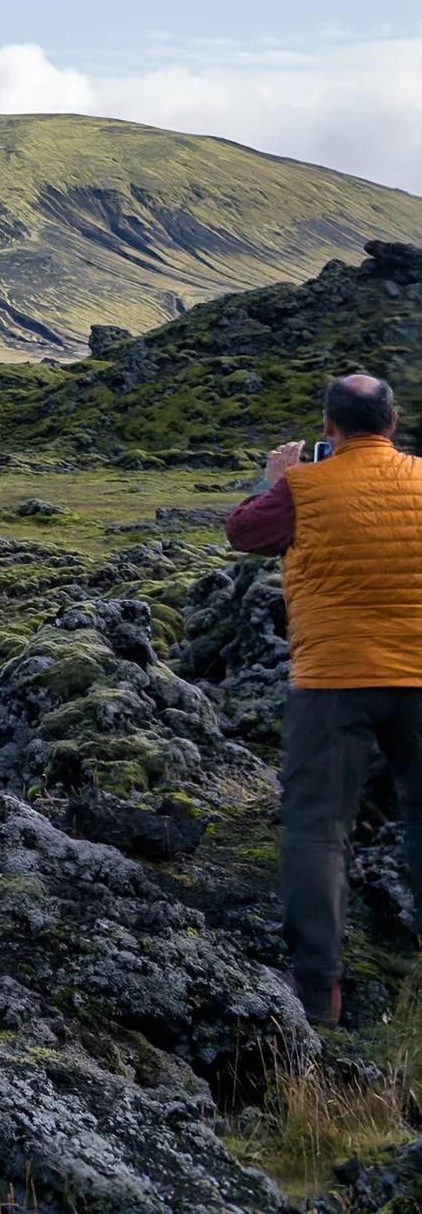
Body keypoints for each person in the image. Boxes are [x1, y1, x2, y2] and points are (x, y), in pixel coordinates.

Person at [227, 372, 422, 1029]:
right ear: (393, 423)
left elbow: (244, 532)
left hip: (333, 682)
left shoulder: (302, 488)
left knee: (318, 830)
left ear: (328, 428)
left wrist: (275, 479)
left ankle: (318, 999)